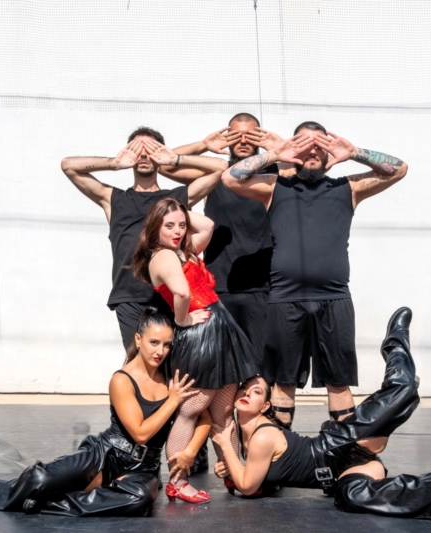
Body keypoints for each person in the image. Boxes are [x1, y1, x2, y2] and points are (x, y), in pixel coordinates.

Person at [220, 121, 409, 428]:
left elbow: (399, 169)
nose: (311, 152)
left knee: (338, 381)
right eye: (304, 145)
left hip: (334, 298)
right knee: (283, 381)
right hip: (285, 299)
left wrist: (354, 152)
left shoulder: (347, 188)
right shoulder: (274, 187)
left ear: (328, 153)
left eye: (318, 146)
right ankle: (280, 447)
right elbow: (229, 177)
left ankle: (342, 449)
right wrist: (275, 153)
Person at [211, 308, 431, 526]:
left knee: (402, 389)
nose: (246, 393)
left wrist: (225, 447)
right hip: (341, 474)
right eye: (243, 389)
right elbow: (262, 484)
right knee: (349, 498)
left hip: (338, 444)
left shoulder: (263, 436)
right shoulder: (248, 439)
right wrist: (233, 468)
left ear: (265, 406)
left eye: (255, 392)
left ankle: (395, 344)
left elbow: (247, 487)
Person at [0, 308, 209, 517]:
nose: (161, 351)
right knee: (41, 478)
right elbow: (140, 434)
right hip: (106, 454)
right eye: (154, 342)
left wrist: (190, 451)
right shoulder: (121, 380)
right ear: (138, 340)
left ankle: (48, 503)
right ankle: (8, 490)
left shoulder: (172, 378)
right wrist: (172, 400)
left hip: (144, 467)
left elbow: (204, 417)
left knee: (140, 499)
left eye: (167, 345)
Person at [130, 197, 262, 503]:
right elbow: (181, 292)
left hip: (218, 329)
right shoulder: (164, 256)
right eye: (168, 226)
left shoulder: (181, 250)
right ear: (155, 227)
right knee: (190, 409)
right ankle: (178, 481)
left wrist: (173, 206)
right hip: (201, 335)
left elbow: (208, 225)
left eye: (181, 225)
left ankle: (232, 474)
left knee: (223, 412)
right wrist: (183, 320)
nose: (178, 231)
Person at [61, 127, 226, 351]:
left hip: (170, 296)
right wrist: (114, 163)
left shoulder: (175, 199)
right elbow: (68, 166)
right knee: (138, 363)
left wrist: (175, 158)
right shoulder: (114, 198)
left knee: (173, 365)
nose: (144, 155)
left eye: (151, 149)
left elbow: (220, 167)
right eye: (137, 150)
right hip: (130, 297)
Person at [170, 113, 283, 353]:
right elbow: (165, 163)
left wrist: (279, 147)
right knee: (222, 360)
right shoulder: (214, 176)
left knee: (262, 360)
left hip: (264, 285)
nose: (242, 141)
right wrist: (203, 145)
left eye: (250, 135)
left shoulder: (276, 174)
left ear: (260, 137)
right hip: (219, 285)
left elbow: (310, 169)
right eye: (235, 135)